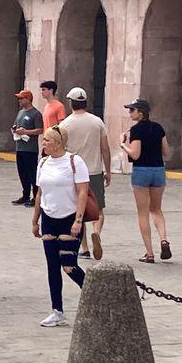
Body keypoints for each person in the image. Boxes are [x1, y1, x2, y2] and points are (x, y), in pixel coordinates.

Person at [31, 125, 91, 327]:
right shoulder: (43, 163)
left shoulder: (75, 162)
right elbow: (40, 193)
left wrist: (78, 220)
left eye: (47, 140)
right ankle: (57, 310)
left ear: (57, 143)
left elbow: (83, 191)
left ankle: (94, 295)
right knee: (52, 266)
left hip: (70, 218)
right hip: (49, 218)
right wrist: (35, 220)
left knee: (69, 265)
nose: (44, 143)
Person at [61, 87, 112, 261]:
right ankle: (96, 232)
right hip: (95, 170)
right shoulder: (97, 122)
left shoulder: (65, 124)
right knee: (99, 209)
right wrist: (108, 170)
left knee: (79, 212)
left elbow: (61, 150)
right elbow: (105, 148)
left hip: (75, 173)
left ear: (71, 103)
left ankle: (85, 249)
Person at [120, 98, 173, 265]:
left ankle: (149, 253)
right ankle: (164, 239)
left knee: (143, 212)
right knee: (156, 209)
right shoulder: (158, 128)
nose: (129, 113)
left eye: (132, 110)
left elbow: (135, 154)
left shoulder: (136, 130)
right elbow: (167, 152)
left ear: (140, 112)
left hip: (141, 171)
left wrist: (122, 144)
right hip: (158, 170)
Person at [10, 90, 43, 206]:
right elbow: (16, 125)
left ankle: (35, 196)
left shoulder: (36, 114)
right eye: (19, 98)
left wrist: (26, 132)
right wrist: (15, 130)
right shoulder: (20, 113)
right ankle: (25, 195)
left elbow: (40, 129)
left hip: (30, 148)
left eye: (22, 98)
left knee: (32, 173)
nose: (19, 101)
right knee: (22, 172)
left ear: (28, 99)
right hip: (20, 146)